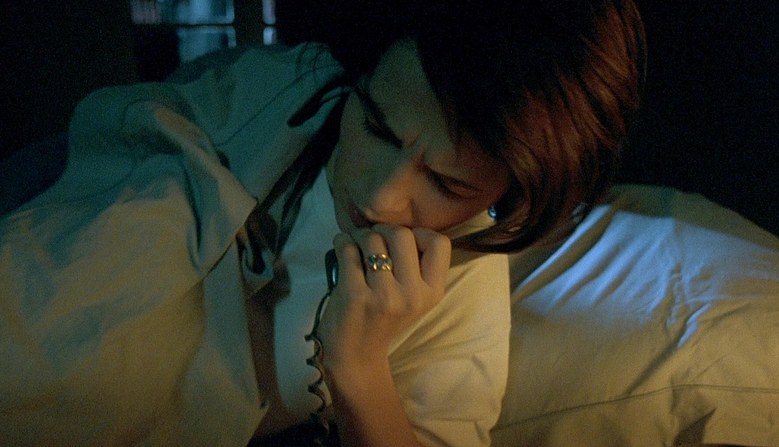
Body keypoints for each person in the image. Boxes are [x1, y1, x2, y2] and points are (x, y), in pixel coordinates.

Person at [0, 1, 645, 445]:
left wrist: (358, 369)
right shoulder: (290, 84)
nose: (382, 196)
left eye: (446, 184)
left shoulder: (462, 302)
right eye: (375, 126)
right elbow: (108, 149)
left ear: (508, 194)